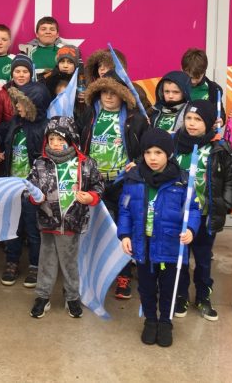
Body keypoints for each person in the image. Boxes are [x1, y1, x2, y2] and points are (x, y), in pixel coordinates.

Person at [118, 128, 200, 347]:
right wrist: (124, 234)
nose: (152, 158)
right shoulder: (134, 178)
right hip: (143, 245)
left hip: (170, 245)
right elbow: (125, 209)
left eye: (158, 153)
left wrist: (191, 228)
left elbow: (193, 209)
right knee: (145, 287)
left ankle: (165, 321)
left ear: (169, 154)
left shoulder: (182, 181)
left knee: (168, 287)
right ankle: (150, 321)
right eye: (148, 152)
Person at [77, 70, 148, 300]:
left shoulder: (134, 119)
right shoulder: (90, 115)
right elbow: (78, 142)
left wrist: (136, 163)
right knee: (92, 230)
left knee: (123, 230)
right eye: (104, 93)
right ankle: (94, 272)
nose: (108, 97)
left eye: (113, 93)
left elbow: (147, 149)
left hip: (122, 183)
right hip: (94, 183)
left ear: (123, 95)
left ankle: (123, 275)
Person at [27, 116, 103, 319]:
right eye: (51, 139)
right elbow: (28, 187)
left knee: (70, 262)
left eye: (61, 139)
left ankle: (72, 297)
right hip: (47, 222)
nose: (56, 144)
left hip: (72, 222)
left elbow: (98, 185)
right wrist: (35, 196)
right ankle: (42, 296)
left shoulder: (85, 163)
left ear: (71, 139)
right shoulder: (40, 164)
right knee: (46, 261)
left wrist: (91, 197)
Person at [172, 100, 232, 320]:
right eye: (188, 118)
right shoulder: (173, 143)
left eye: (198, 120)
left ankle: (202, 295)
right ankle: (180, 295)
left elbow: (229, 178)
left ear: (208, 123)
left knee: (203, 257)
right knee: (179, 257)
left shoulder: (217, 148)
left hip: (205, 214)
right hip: (178, 214)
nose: (191, 123)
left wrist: (224, 205)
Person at [0, 81, 51, 287]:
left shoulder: (44, 128)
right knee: (12, 227)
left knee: (33, 230)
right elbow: (2, 128)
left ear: (34, 105)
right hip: (12, 185)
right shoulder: (16, 122)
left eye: (22, 104)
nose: (17, 107)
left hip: (32, 188)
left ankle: (35, 264)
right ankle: (11, 262)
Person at [84, 47, 152, 112]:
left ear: (118, 67)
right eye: (99, 66)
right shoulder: (93, 91)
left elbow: (146, 113)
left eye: (106, 64)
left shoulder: (134, 90)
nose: (102, 68)